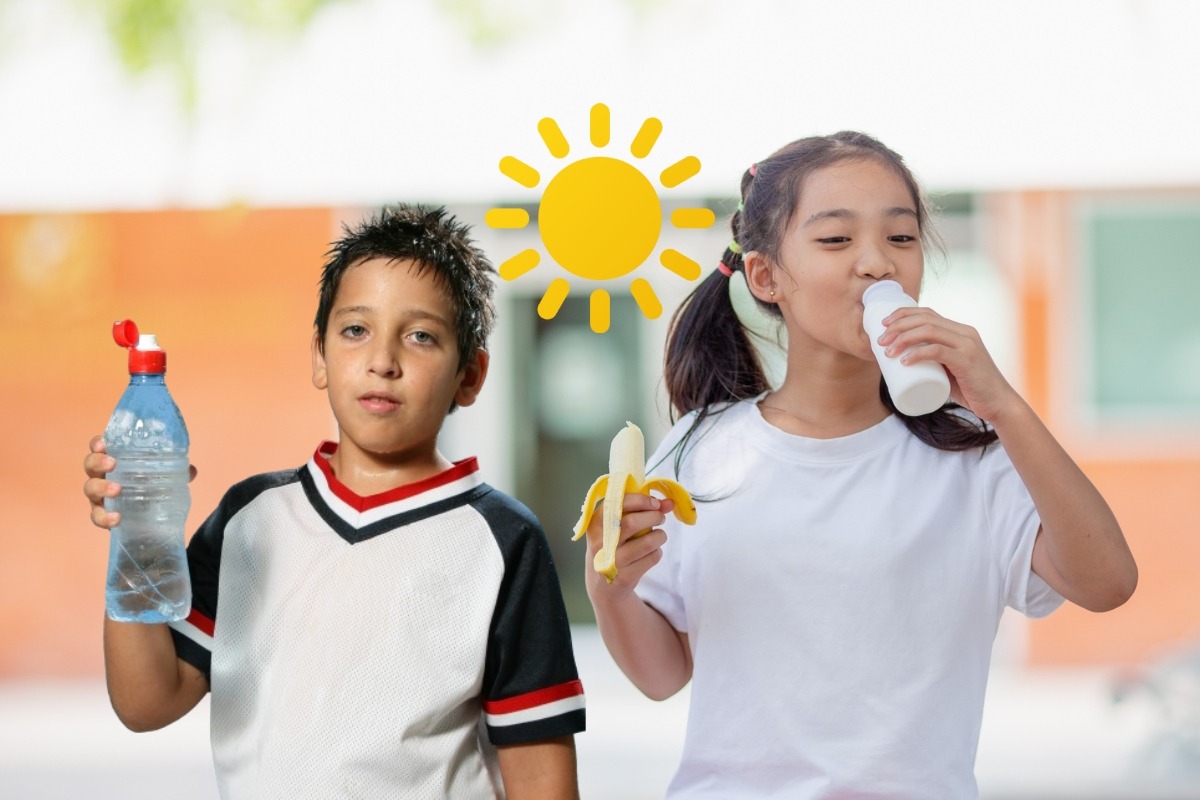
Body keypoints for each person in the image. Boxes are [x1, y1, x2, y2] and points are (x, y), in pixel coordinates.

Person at [580, 131, 1137, 799]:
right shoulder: (700, 452)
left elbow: (1108, 583)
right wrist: (608, 585)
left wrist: (1005, 407)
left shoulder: (973, 458)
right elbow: (662, 676)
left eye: (901, 239)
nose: (877, 263)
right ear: (766, 276)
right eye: (836, 240)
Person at [84, 205, 584, 799]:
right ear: (319, 356)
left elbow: (541, 779)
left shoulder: (501, 541)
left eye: (421, 336)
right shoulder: (250, 520)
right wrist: (135, 535)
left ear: (469, 376)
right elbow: (147, 703)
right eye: (355, 330)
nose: (382, 360)